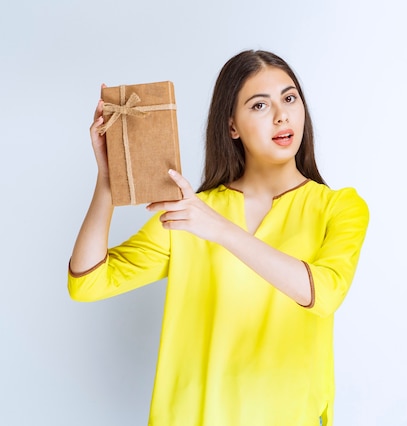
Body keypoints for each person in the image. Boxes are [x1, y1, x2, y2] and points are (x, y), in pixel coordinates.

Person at [68, 50, 369, 426]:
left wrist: (220, 229)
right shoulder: (193, 212)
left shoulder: (339, 207)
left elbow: (324, 294)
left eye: (290, 98)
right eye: (260, 105)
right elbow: (88, 283)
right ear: (232, 127)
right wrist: (109, 184)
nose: (282, 115)